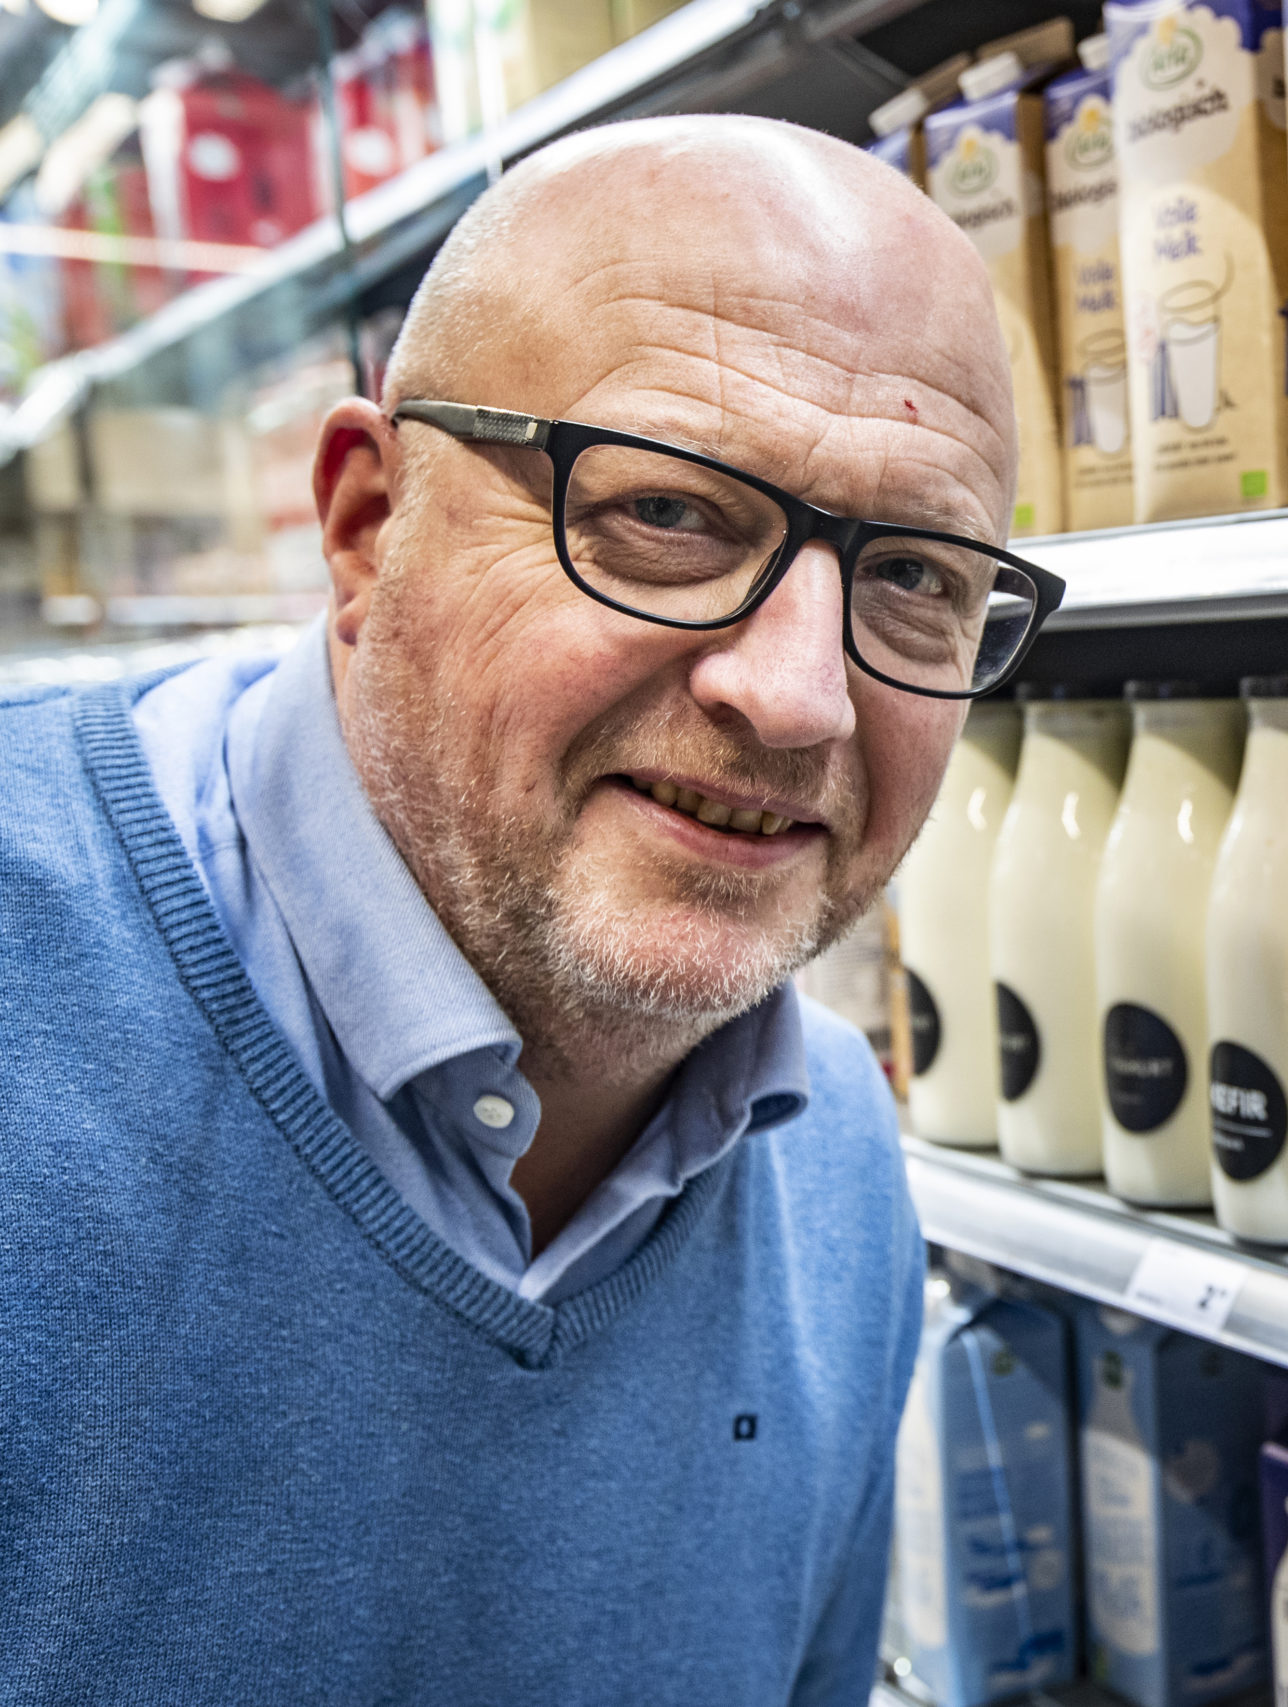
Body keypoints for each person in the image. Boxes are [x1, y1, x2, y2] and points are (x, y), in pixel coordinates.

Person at [0, 115, 1061, 1700]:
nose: (797, 699)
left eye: (914, 576)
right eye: (672, 514)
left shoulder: (837, 1165)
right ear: (368, 528)